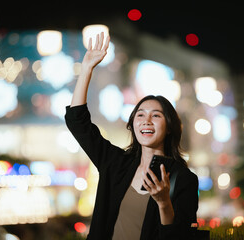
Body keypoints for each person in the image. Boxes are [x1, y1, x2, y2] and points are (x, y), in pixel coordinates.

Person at [65, 32, 199, 240]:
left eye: (156, 115)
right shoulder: (116, 163)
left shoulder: (183, 179)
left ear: (170, 126)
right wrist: (86, 70)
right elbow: (77, 122)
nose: (146, 121)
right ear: (133, 124)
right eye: (140, 115)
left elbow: (178, 237)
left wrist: (164, 203)